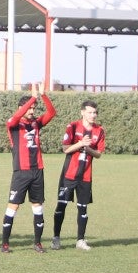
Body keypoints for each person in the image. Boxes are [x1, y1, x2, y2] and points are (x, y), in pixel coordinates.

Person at [2, 83, 56, 253]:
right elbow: (16, 116)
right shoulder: (13, 124)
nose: (32, 111)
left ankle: (38, 243)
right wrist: (32, 97)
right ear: (21, 108)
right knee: (13, 206)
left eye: (34, 108)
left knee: (38, 207)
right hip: (21, 172)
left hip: (37, 170)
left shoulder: (36, 123)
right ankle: (5, 244)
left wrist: (43, 95)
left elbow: (51, 113)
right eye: (29, 108)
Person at [52, 100, 106, 251]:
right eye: (90, 112)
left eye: (95, 112)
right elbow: (65, 149)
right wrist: (81, 143)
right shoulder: (73, 126)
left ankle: (80, 240)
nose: (93, 115)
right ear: (82, 112)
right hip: (69, 174)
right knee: (61, 205)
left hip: (85, 176)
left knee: (83, 208)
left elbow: (98, 154)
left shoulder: (99, 130)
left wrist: (88, 149)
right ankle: (56, 238)